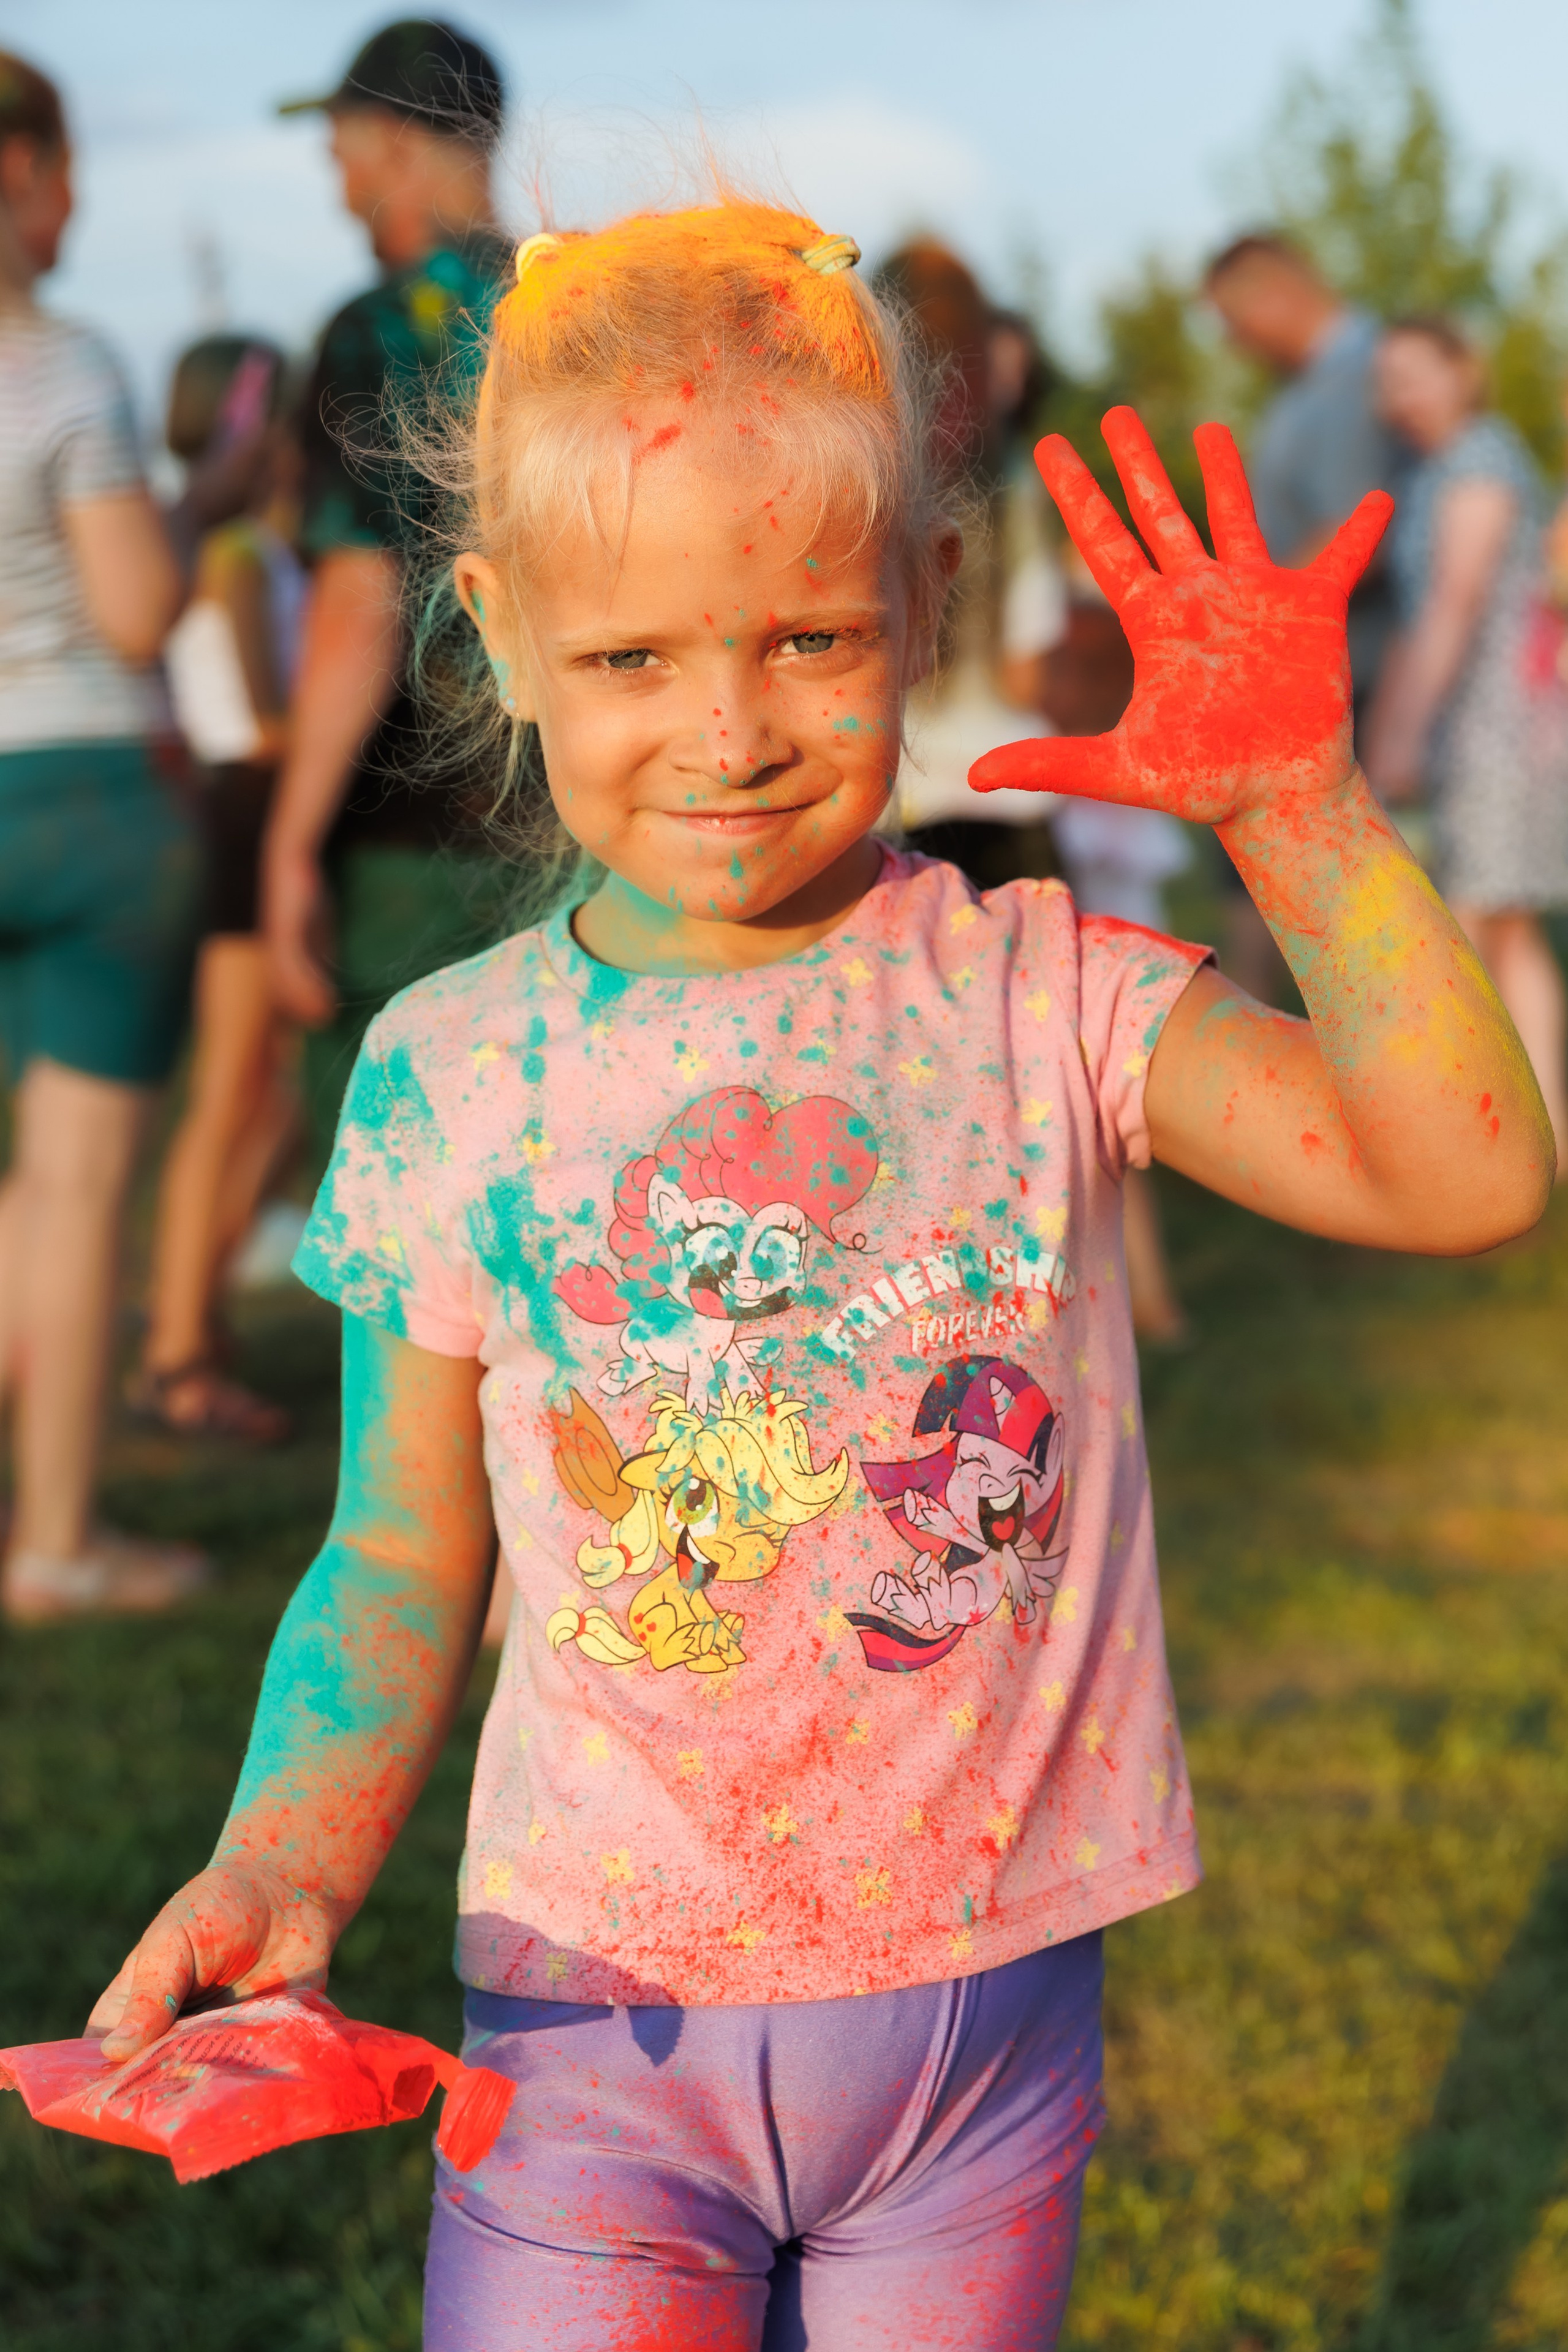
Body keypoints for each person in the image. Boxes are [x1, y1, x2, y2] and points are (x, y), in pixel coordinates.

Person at [89, 201, 1552, 2350]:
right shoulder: (449, 1070)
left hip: (979, 2039)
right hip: (596, 2027)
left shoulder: (1047, 990)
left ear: (924, 600)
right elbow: (397, 1550)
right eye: (630, 658)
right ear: (499, 629)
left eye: (809, 637)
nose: (729, 726)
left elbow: (1465, 1175)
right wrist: (288, 1854)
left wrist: (1305, 817)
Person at [0, 53, 207, 1621]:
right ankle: (57, 1546)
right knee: (68, 1191)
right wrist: (213, 507)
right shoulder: (63, 364)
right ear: (26, 174)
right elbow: (135, 608)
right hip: (81, 791)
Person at [267, 19, 518, 1151]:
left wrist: (290, 842)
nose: (336, 189)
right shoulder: (587, 315)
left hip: (415, 849)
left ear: (395, 145)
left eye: (341, 156)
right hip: (600, 823)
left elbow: (361, 600)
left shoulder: (376, 333)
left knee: (399, 1184)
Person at [129, 337, 306, 1441]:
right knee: (232, 1092)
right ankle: (176, 1353)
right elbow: (264, 716)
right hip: (245, 809)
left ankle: (190, 1313)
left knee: (276, 1097)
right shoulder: (235, 552)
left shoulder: (251, 546)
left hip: (250, 810)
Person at [1365, 315, 1568, 1164]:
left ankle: (1462, 1151)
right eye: (1388, 380)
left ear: (1462, 372)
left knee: (1468, 937)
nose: (1400, 395)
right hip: (1481, 728)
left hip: (1501, 733)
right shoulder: (1433, 470)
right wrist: (1387, 730)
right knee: (1509, 930)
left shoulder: (1481, 460)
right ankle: (1547, 1142)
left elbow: (1454, 604)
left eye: (1416, 373)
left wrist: (1404, 736)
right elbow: (1416, 621)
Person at [1204, 233, 1405, 1003]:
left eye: (1233, 321)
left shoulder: (1354, 378)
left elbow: (1355, 529)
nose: (1233, 341)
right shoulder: (1314, 385)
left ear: (1272, 295)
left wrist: (1245, 632)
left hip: (1340, 672)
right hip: (1309, 665)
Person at [878, 243, 1065, 886]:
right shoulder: (1013, 487)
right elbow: (1026, 676)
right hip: (1007, 793)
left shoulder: (861, 483)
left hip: (900, 799)